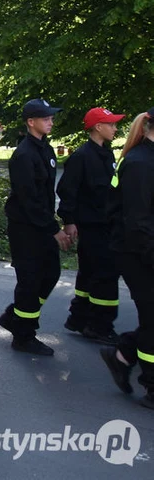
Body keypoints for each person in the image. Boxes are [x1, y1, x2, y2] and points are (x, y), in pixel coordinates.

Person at [0, 99, 73, 356]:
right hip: (26, 228)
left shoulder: (46, 150)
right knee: (30, 281)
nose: (51, 121)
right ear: (31, 122)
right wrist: (54, 229)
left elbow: (46, 196)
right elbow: (30, 199)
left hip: (42, 225)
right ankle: (24, 335)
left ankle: (15, 316)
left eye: (51, 117)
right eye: (46, 118)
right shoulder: (24, 154)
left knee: (50, 274)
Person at [58, 107, 125, 345]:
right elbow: (67, 190)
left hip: (105, 223)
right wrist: (69, 221)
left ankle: (79, 318)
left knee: (89, 272)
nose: (116, 128)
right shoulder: (82, 157)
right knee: (105, 273)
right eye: (112, 124)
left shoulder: (106, 155)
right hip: (92, 225)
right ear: (98, 127)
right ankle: (100, 325)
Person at [100, 110, 154, 410]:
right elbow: (137, 222)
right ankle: (151, 385)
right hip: (137, 252)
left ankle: (122, 355)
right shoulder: (140, 163)